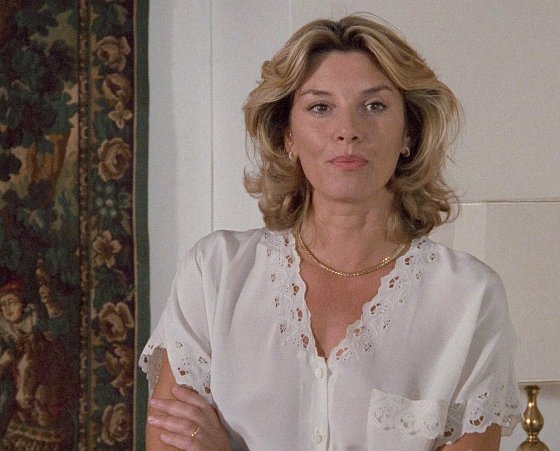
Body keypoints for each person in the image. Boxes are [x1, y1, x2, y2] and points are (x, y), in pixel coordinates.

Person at [142, 13, 521, 450]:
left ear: (409, 133)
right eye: (321, 107)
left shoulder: (469, 298)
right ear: (288, 135)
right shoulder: (214, 275)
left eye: (374, 106)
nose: (348, 131)